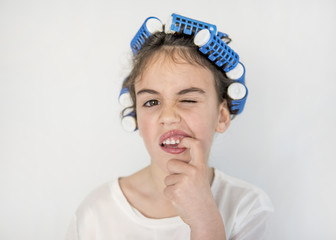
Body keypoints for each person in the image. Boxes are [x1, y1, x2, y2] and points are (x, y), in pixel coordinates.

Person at [65, 13, 274, 240]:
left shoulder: (248, 207)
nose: (169, 117)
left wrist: (206, 220)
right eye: (152, 102)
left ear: (222, 116)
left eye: (188, 100)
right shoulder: (96, 213)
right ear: (136, 116)